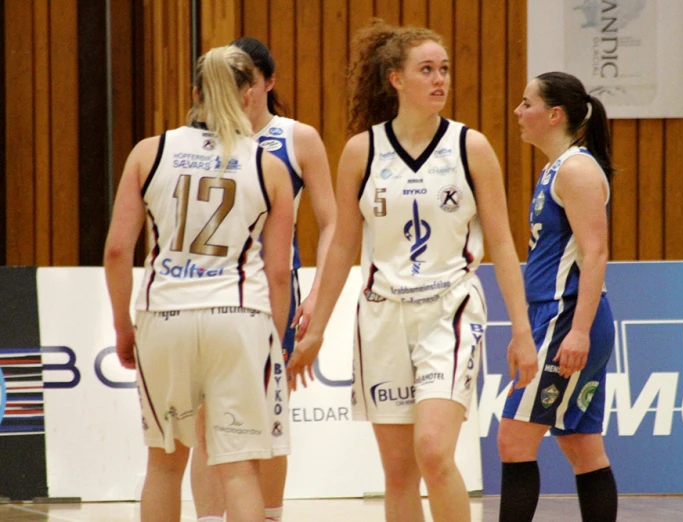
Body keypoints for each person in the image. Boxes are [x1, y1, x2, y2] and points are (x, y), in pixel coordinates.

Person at [286, 20, 537, 522]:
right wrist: (317, 328)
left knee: (434, 451)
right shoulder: (362, 151)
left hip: (450, 311)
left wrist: (522, 330)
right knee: (399, 474)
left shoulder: (472, 147)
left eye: (443, 69)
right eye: (427, 70)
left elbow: (504, 243)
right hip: (381, 318)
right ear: (396, 79)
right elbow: (341, 249)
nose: (440, 79)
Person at [103, 45, 294, 522]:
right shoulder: (269, 165)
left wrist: (123, 327)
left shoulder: (150, 152)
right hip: (238, 318)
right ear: (251, 93)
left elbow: (116, 251)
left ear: (194, 93)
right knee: (239, 470)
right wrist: (272, 335)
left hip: (164, 314)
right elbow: (276, 271)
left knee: (164, 467)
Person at [188, 37, 336, 522]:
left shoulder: (296, 137)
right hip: (205, 288)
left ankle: (266, 515)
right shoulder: (194, 140)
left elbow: (332, 220)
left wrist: (316, 290)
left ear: (266, 84)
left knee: (265, 418)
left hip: (272, 288)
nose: (238, 88)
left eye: (245, 77)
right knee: (207, 419)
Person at [497, 72, 618, 522]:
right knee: (582, 445)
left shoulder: (577, 169)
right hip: (557, 317)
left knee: (513, 441)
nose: (518, 112)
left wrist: (580, 331)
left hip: (567, 318)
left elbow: (596, 252)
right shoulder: (560, 167)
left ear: (554, 114)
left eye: (526, 103)